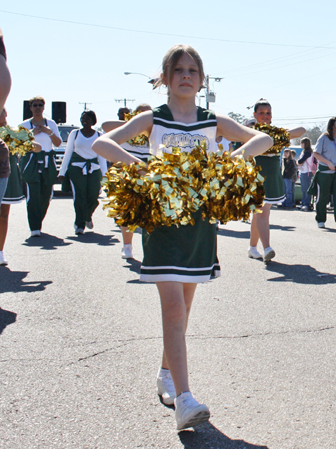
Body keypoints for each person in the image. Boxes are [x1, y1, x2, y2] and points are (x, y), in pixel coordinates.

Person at [93, 44, 273, 430]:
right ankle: (185, 401)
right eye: (179, 70)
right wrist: (140, 165)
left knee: (184, 309)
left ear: (202, 79)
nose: (186, 76)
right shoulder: (153, 118)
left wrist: (233, 158)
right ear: (166, 78)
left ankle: (165, 373)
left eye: (193, 70)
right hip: (162, 223)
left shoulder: (212, 120)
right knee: (174, 308)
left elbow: (264, 139)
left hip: (200, 225)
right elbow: (102, 143)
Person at [248, 100, 305, 262]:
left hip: (272, 178)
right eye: (261, 113)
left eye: (268, 113)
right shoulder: (249, 133)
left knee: (259, 213)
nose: (265, 116)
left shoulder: (277, 134)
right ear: (254, 115)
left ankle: (252, 248)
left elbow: (302, 130)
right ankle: (266, 248)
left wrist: (278, 133)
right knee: (261, 212)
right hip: (255, 177)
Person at [103, 103, 153, 259]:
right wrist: (134, 124)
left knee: (149, 212)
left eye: (148, 114)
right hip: (127, 171)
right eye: (141, 114)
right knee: (127, 210)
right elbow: (105, 126)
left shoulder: (153, 130)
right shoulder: (127, 129)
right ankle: (127, 246)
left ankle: (150, 251)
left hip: (148, 171)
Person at [0, 109, 42, 266]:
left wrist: (26, 142)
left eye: (4, 112)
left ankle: (0, 251)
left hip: (6, 176)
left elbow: (37, 147)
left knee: (3, 215)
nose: (4, 115)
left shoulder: (11, 132)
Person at [57, 110, 107, 235]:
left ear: (93, 120)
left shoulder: (99, 135)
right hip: (76, 168)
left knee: (93, 196)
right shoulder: (75, 134)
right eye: (82, 119)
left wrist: (105, 175)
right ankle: (79, 224)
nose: (84, 121)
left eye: (87, 119)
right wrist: (62, 172)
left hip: (94, 169)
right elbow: (68, 153)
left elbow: (102, 156)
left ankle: (87, 216)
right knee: (79, 197)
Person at [20, 96, 62, 237]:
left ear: (44, 108)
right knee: (33, 194)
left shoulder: (51, 124)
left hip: (47, 161)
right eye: (35, 105)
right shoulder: (25, 125)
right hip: (32, 161)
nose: (37, 108)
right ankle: (34, 227)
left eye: (40, 105)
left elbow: (57, 143)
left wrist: (48, 132)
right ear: (30, 108)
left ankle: (38, 220)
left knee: (46, 194)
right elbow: (19, 145)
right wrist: (31, 134)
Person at [313, 117, 336, 230]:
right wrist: (328, 163)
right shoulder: (324, 137)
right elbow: (316, 153)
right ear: (332, 125)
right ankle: (320, 219)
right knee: (323, 197)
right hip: (325, 171)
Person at [296, 137, 316, 211]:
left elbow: (300, 161)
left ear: (305, 144)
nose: (301, 144)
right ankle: (303, 203)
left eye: (302, 143)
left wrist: (297, 162)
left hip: (307, 172)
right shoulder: (304, 152)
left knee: (307, 189)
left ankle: (306, 204)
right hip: (303, 171)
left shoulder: (307, 152)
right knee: (303, 189)